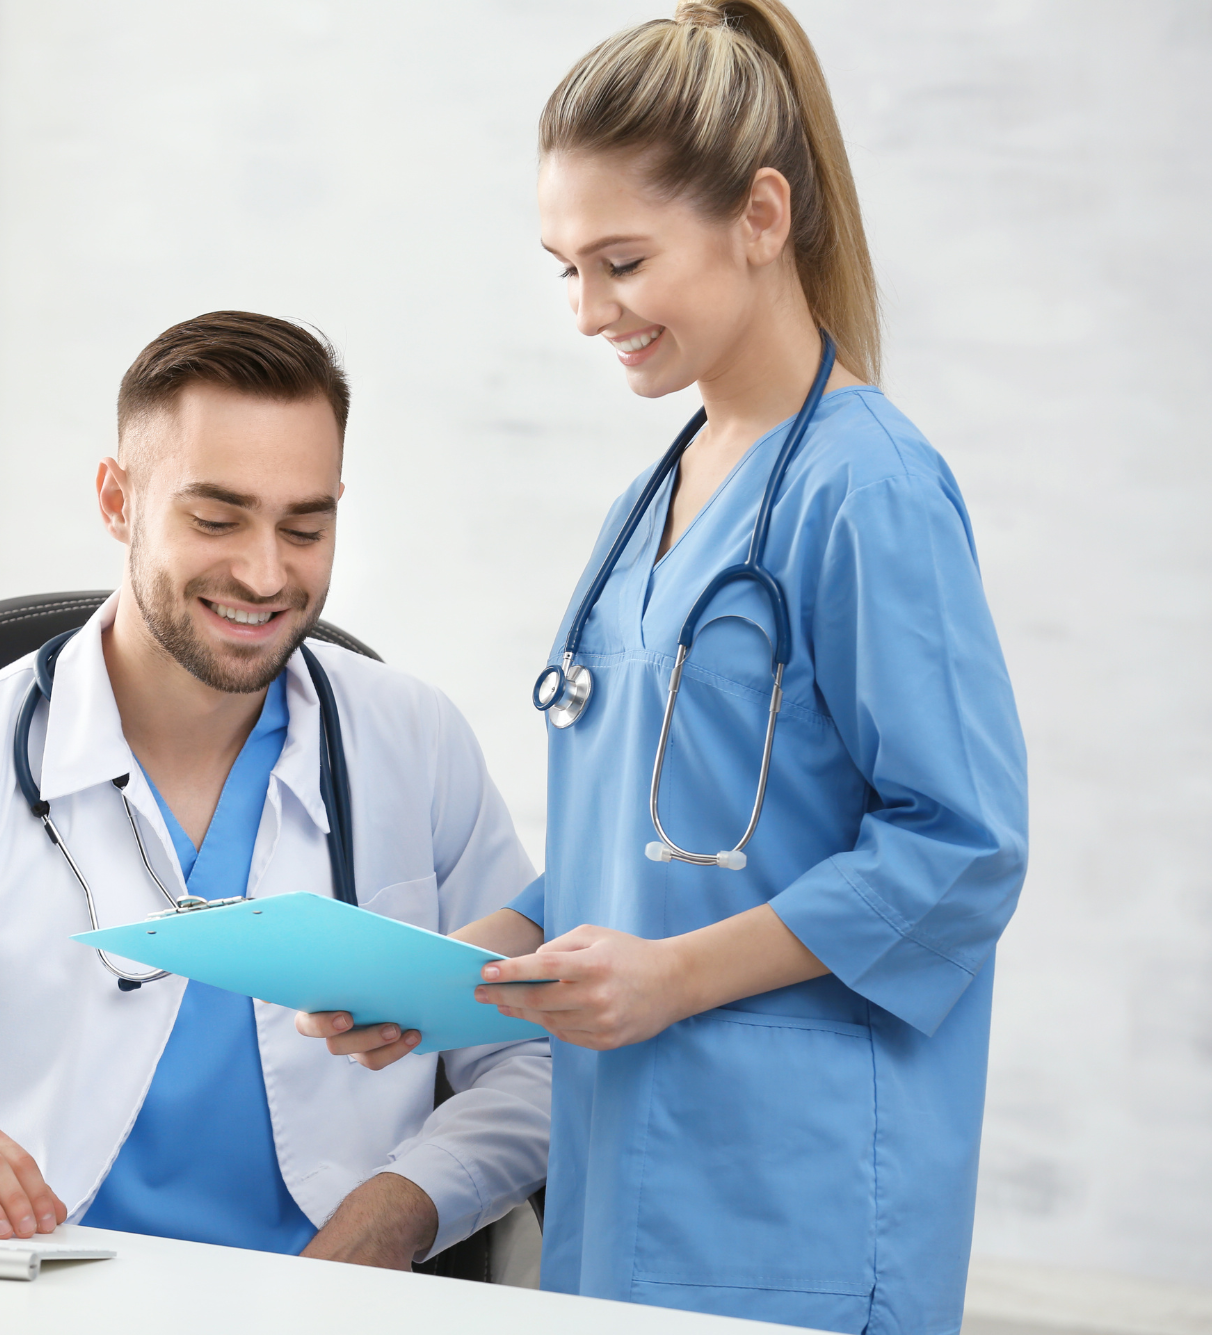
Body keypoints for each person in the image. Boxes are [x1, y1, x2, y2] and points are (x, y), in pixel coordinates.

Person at [299, 5, 1027, 1331]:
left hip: (795, 1208)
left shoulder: (869, 489)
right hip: (630, 1186)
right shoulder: (656, 498)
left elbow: (962, 848)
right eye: (564, 267)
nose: (587, 312)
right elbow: (636, 858)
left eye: (622, 262)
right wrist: (449, 973)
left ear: (761, 214)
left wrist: (678, 976)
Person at [0, 311, 550, 1269]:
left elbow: (532, 1049)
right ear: (117, 500)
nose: (264, 573)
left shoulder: (413, 745)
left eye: (305, 526)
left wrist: (404, 1203)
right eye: (215, 519)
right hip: (22, 1300)